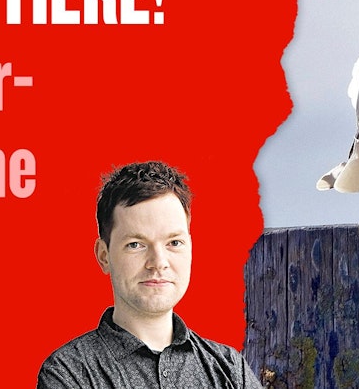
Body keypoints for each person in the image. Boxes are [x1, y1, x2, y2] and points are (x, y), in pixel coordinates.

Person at [38, 161, 262, 389]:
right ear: (104, 256)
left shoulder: (230, 368)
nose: (158, 263)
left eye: (174, 242)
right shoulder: (68, 373)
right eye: (136, 244)